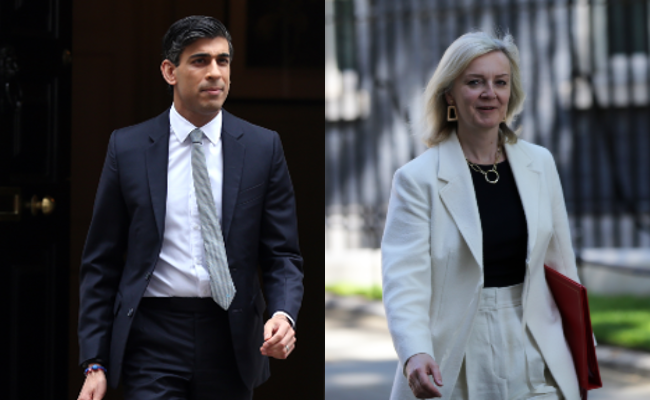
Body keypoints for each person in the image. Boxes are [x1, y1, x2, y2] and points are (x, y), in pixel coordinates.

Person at [77, 15, 304, 400]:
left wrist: (283, 315)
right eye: (200, 61)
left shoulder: (263, 148)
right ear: (170, 71)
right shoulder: (128, 149)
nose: (215, 73)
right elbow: (102, 263)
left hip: (232, 337)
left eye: (223, 60)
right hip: (152, 336)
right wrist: (94, 362)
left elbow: (282, 254)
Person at [381, 31, 585, 399]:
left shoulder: (540, 163)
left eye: (500, 82)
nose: (490, 93)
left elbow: (561, 265)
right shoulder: (416, 180)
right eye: (475, 82)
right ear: (450, 95)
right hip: (454, 355)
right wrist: (414, 351)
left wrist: (582, 345)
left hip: (536, 342)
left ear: (511, 92)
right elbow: (404, 281)